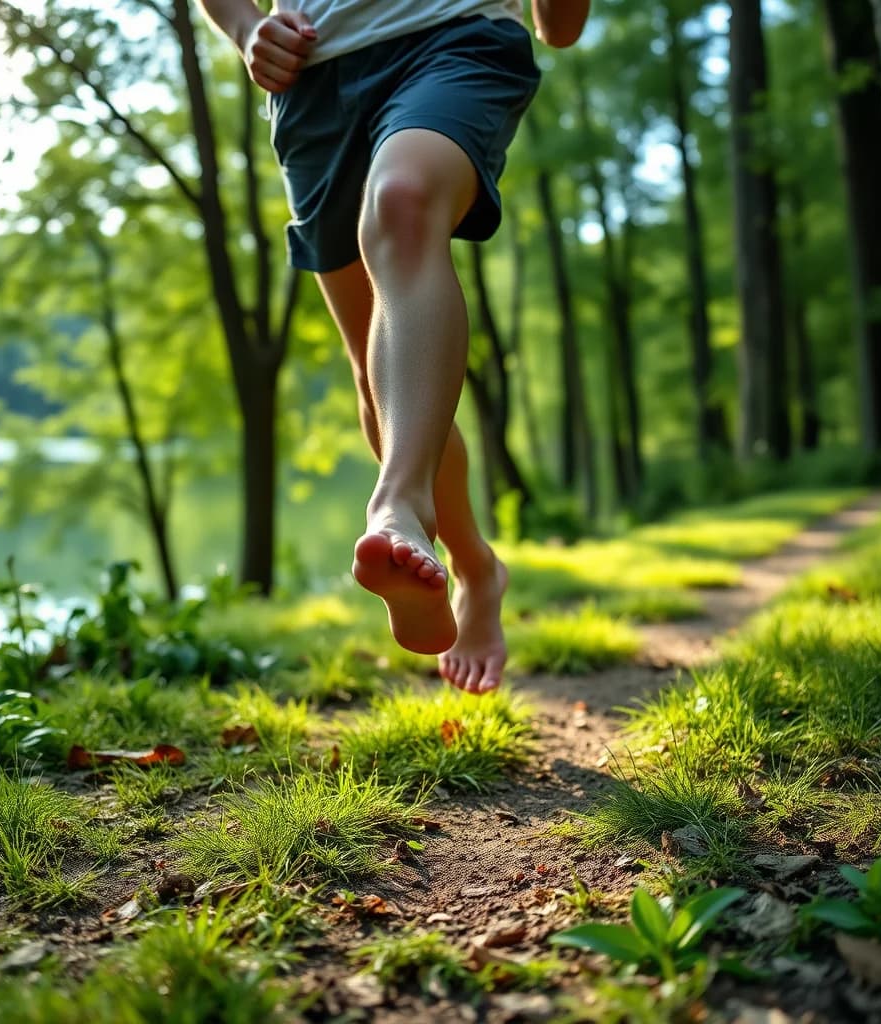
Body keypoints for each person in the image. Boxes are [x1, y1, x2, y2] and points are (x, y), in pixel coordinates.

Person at [198, 0, 589, 694]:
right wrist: (244, 26)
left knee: (402, 199)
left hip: (457, 37)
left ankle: (400, 503)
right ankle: (475, 567)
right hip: (314, 75)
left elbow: (559, 27)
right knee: (378, 380)